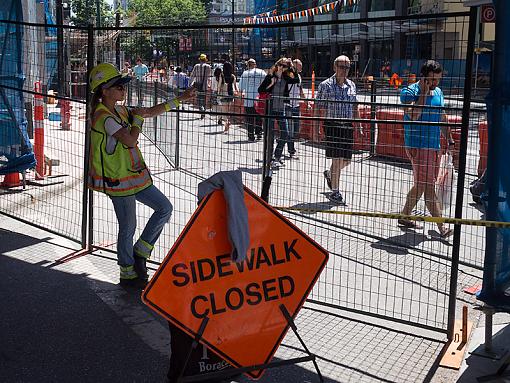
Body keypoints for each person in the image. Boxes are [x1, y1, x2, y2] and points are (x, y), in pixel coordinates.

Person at [87, 63, 195, 287]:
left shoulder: (119, 110)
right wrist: (138, 120)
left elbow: (151, 111)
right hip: (117, 181)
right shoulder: (103, 116)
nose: (122, 89)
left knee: (164, 208)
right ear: (104, 91)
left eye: (122, 86)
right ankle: (127, 272)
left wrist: (181, 99)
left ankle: (141, 252)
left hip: (134, 176)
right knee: (128, 227)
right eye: (117, 86)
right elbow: (130, 139)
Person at [399, 60, 454, 238]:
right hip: (418, 145)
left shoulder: (438, 92)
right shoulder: (408, 92)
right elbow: (413, 115)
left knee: (421, 185)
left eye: (438, 79)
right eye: (432, 80)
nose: (436, 83)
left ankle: (404, 215)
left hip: (434, 146)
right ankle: (442, 227)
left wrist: (450, 140)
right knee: (428, 186)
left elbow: (442, 117)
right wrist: (423, 93)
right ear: (423, 78)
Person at [316, 55, 361, 204]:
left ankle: (330, 174)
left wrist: (359, 125)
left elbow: (355, 107)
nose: (345, 70)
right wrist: (316, 128)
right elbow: (318, 108)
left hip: (347, 125)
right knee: (337, 159)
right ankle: (335, 191)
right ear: (335, 67)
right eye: (342, 67)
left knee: (347, 160)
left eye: (347, 67)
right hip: (332, 125)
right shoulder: (325, 85)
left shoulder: (352, 85)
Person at [258, 57, 300, 167]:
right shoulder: (270, 76)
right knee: (270, 135)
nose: (283, 68)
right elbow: (260, 90)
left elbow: (296, 79)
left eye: (285, 66)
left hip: (281, 108)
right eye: (281, 65)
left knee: (285, 134)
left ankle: (277, 156)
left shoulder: (286, 77)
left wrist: (292, 66)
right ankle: (270, 159)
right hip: (270, 109)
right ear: (277, 65)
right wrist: (271, 84)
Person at [239, 58, 266, 141]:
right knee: (259, 117)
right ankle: (259, 133)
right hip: (259, 98)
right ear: (255, 64)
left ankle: (251, 136)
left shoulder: (245, 73)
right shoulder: (262, 72)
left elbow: (241, 87)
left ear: (248, 65)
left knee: (250, 119)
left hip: (249, 98)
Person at [286, 58, 309, 142]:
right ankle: (291, 149)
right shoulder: (288, 74)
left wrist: (307, 103)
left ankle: (289, 143)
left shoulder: (298, 76)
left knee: (296, 128)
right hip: (288, 105)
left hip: (296, 105)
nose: (301, 69)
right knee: (290, 129)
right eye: (300, 66)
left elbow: (300, 90)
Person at [216, 67, 239, 133]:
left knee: (224, 111)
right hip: (230, 94)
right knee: (228, 111)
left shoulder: (222, 75)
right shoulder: (233, 76)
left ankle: (227, 123)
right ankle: (227, 125)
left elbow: (219, 86)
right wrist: (237, 91)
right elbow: (235, 86)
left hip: (224, 94)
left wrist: (218, 93)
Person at [190, 53, 212, 119]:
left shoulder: (196, 66)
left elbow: (192, 75)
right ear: (205, 60)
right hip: (205, 86)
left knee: (199, 99)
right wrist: (209, 84)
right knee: (204, 99)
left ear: (200, 60)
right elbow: (210, 77)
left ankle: (201, 110)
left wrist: (190, 84)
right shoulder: (208, 67)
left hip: (197, 86)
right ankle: (203, 110)